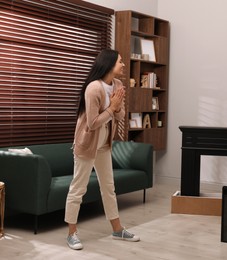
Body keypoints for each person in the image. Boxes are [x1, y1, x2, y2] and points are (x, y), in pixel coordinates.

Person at [65, 49, 140, 250]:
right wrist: (112, 107)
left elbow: (121, 115)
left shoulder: (117, 85)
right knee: (78, 188)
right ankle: (72, 233)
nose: (123, 65)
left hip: (105, 144)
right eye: (120, 62)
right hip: (87, 145)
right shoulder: (93, 89)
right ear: (109, 65)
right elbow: (92, 123)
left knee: (109, 187)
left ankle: (117, 229)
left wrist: (116, 107)